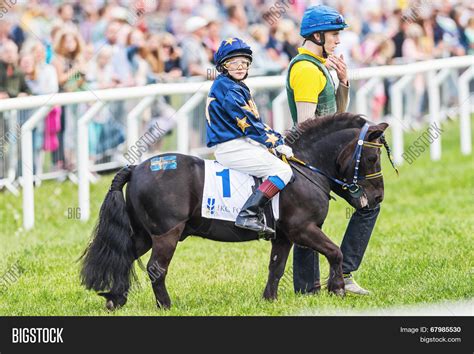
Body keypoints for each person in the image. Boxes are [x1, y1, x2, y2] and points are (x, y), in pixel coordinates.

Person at [286, 5, 380, 295]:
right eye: (334, 35)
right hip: (311, 161)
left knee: (365, 203)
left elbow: (336, 114)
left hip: (323, 157)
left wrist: (343, 84)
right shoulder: (305, 70)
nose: (338, 41)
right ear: (317, 36)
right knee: (362, 204)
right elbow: (306, 125)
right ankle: (322, 281)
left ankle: (318, 282)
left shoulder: (319, 67)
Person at [206, 38, 294, 235]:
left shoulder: (232, 85)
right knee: (283, 172)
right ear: (223, 65)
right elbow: (251, 126)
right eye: (233, 62)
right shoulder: (229, 89)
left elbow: (255, 123)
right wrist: (278, 143)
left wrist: (276, 139)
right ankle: (248, 214)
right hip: (232, 146)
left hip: (240, 143)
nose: (240, 66)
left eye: (244, 63)